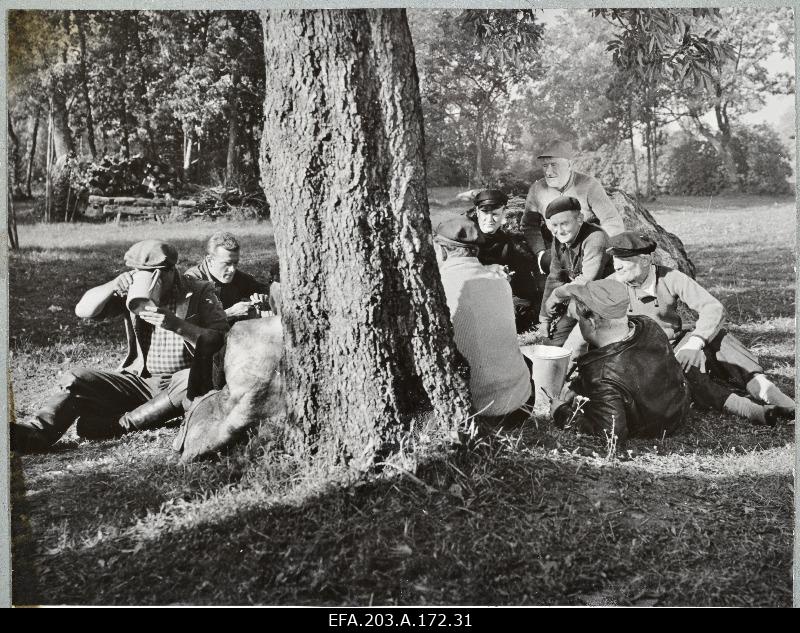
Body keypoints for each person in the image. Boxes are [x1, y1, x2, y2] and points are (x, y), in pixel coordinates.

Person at [10, 240, 229, 452]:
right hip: (139, 381)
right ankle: (38, 433)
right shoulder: (132, 291)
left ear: (171, 271)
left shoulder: (199, 292)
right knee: (76, 379)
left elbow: (221, 340)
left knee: (189, 379)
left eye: (152, 275)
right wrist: (113, 285)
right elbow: (83, 310)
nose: (146, 282)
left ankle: (119, 425)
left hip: (181, 383)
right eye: (138, 273)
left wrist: (178, 326)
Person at [605, 232, 794, 425]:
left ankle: (769, 392)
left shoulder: (669, 277)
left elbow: (713, 308)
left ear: (645, 260)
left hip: (674, 343)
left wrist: (694, 344)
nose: (616, 265)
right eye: (614, 259)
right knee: (682, 368)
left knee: (720, 338)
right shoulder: (611, 285)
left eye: (623, 259)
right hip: (642, 357)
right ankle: (748, 409)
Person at [549, 279, 691, 447]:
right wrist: (579, 386)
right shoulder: (647, 324)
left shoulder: (602, 374)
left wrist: (561, 413)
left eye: (579, 319)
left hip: (653, 427)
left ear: (592, 322)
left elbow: (610, 435)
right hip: (678, 411)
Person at [434, 217, 534, 422]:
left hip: (475, 412)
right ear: (476, 251)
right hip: (520, 407)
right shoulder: (501, 282)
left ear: (443, 251)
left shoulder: (437, 290)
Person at [520, 139, 625, 274]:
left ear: (569, 165)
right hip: (560, 251)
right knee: (548, 264)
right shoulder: (537, 190)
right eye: (545, 166)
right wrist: (539, 252)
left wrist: (606, 251)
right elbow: (529, 225)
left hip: (590, 247)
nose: (549, 172)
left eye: (554, 165)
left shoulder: (588, 185)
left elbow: (611, 220)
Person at [538, 195, 613, 347]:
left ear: (579, 219)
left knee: (586, 349)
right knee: (551, 345)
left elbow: (587, 281)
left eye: (564, 224)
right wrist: (544, 318)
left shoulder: (595, 238)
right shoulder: (559, 239)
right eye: (554, 225)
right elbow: (555, 277)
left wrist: (557, 295)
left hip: (605, 304)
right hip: (579, 301)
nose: (559, 231)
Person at [465, 188, 543, 332]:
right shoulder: (465, 238)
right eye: (484, 213)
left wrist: (508, 281)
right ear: (477, 212)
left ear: (503, 214)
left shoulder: (509, 243)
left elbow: (524, 288)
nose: (489, 219)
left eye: (495, 214)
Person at [184, 231, 272, 324]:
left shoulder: (238, 277)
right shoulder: (192, 281)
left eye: (235, 263)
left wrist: (264, 298)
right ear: (210, 260)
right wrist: (229, 313)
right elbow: (187, 324)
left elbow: (268, 292)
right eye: (227, 263)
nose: (232, 269)